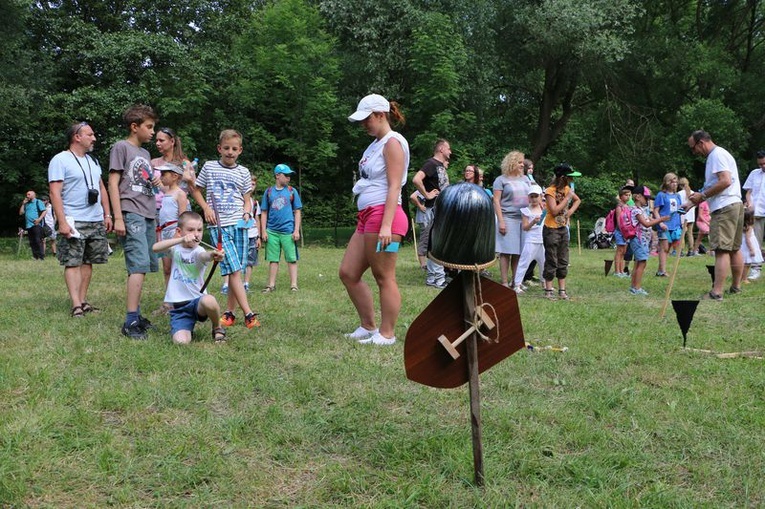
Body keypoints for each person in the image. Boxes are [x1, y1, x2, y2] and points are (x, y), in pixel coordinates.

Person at [340, 94, 410, 346]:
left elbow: (394, 187)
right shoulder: (374, 145)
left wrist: (387, 225)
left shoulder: (393, 142)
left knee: (384, 276)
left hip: (385, 217)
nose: (364, 125)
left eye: (367, 119)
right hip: (367, 217)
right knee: (348, 272)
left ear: (380, 115)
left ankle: (387, 333)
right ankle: (368, 326)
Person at [190, 129, 260, 329]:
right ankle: (249, 314)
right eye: (226, 148)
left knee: (233, 271)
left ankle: (229, 313)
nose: (230, 152)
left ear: (240, 150)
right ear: (219, 148)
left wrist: (247, 214)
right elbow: (195, 189)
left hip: (239, 225)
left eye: (234, 149)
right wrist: (205, 207)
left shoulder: (243, 172)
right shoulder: (210, 167)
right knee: (235, 269)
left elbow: (247, 201)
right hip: (219, 225)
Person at [48, 121, 113, 317]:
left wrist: (107, 214)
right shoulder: (60, 160)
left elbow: (102, 188)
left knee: (88, 261)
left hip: (95, 219)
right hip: (73, 220)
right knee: (73, 261)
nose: (94, 138)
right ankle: (76, 305)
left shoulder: (93, 160)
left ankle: (83, 300)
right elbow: (54, 192)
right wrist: (62, 222)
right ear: (77, 137)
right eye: (90, 135)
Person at [109, 104, 161, 339]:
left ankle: (137, 315)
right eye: (149, 127)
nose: (152, 132)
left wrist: (156, 182)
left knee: (146, 265)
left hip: (148, 213)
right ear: (134, 127)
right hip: (131, 212)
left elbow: (142, 180)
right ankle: (130, 321)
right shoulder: (122, 147)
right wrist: (118, 216)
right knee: (137, 265)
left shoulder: (146, 154)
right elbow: (113, 183)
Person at [684, 130, 745, 300]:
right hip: (735, 204)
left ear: (701, 142)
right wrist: (691, 203)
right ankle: (736, 287)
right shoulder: (720, 155)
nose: (694, 152)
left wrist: (702, 196)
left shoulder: (716, 155)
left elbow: (725, 181)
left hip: (724, 206)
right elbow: (713, 184)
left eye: (693, 148)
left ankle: (716, 292)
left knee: (721, 250)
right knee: (734, 248)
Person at [152, 211, 226, 344]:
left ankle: (217, 327)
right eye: (191, 230)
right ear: (179, 231)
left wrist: (213, 255)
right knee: (181, 342)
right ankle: (186, 327)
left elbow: (204, 256)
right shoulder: (175, 249)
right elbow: (155, 248)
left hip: (198, 303)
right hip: (179, 308)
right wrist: (180, 240)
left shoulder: (199, 250)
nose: (196, 234)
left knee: (209, 300)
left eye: (199, 230)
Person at [412, 138, 451, 289]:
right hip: (433, 210)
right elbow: (416, 179)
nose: (450, 152)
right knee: (436, 244)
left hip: (439, 210)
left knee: (434, 243)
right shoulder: (431, 164)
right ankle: (438, 279)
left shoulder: (440, 166)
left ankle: (432, 278)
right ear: (441, 149)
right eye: (448, 149)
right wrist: (427, 195)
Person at [542, 163, 581, 300]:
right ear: (563, 177)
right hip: (551, 229)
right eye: (570, 177)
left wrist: (569, 213)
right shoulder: (550, 191)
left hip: (563, 228)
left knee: (563, 259)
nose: (572, 180)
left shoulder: (567, 189)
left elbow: (578, 201)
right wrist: (567, 198)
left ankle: (562, 291)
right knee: (551, 259)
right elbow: (553, 211)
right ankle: (548, 291)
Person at [261, 164, 303, 292]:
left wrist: (296, 230)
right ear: (277, 175)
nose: (289, 178)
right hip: (272, 231)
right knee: (273, 259)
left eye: (289, 175)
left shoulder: (292, 191)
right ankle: (271, 285)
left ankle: (294, 285)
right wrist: (263, 230)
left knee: (291, 258)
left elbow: (297, 211)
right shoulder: (268, 192)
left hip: (288, 231)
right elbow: (263, 212)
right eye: (286, 175)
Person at [493, 150, 531, 287]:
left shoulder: (526, 179)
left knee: (519, 252)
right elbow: (496, 201)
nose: (522, 165)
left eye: (523, 162)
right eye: (519, 162)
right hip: (508, 218)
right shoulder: (501, 180)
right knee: (506, 251)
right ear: (512, 163)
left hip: (524, 219)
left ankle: (516, 282)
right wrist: (501, 221)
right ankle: (504, 282)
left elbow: (532, 196)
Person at [155, 162, 189, 313]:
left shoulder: (180, 194)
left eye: (164, 174)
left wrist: (179, 235)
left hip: (174, 234)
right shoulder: (165, 192)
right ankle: (168, 302)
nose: (161, 177)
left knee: (177, 268)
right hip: (164, 234)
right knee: (167, 268)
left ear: (175, 176)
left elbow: (182, 217)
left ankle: (180, 301)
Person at [624, 186, 670, 295]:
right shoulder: (636, 210)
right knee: (642, 263)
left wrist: (660, 222)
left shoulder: (641, 210)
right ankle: (637, 288)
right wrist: (661, 219)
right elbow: (646, 223)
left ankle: (634, 286)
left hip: (642, 241)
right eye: (646, 198)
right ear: (638, 197)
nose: (648, 200)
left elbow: (650, 220)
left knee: (638, 263)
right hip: (639, 241)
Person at [512, 185, 545, 292]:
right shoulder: (526, 211)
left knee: (544, 263)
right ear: (528, 198)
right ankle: (517, 284)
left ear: (541, 196)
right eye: (532, 196)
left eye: (536, 196)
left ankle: (545, 284)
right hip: (531, 240)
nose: (534, 199)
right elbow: (525, 227)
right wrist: (533, 222)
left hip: (543, 241)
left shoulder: (544, 209)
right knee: (524, 262)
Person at [653, 172, 682, 277]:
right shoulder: (661, 195)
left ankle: (660, 270)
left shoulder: (677, 195)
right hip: (664, 225)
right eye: (672, 182)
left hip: (675, 225)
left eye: (676, 182)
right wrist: (660, 223)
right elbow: (656, 210)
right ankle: (662, 271)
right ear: (667, 182)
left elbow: (680, 209)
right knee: (664, 248)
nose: (674, 184)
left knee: (668, 249)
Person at [742, 150, 765, 279]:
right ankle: (755, 268)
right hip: (757, 213)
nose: (762, 166)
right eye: (760, 164)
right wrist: (750, 204)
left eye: (764, 163)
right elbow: (748, 193)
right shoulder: (754, 174)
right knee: (755, 240)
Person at [243, 174, 262, 292]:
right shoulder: (239, 200)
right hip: (241, 234)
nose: (251, 186)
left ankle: (246, 283)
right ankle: (231, 284)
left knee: (250, 260)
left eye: (253, 184)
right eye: (249, 183)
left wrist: (259, 236)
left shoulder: (255, 203)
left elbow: (257, 219)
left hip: (253, 234)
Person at [19, 190, 47, 260]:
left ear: (33, 195)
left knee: (38, 240)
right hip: (28, 225)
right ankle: (35, 256)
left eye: (29, 194)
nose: (27, 196)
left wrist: (39, 219)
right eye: (27, 194)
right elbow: (21, 213)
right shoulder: (26, 204)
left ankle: (41, 257)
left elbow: (44, 211)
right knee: (32, 242)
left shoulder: (38, 202)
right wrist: (23, 204)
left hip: (36, 224)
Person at [612, 186, 633, 278]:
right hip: (620, 231)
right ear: (620, 196)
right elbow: (619, 220)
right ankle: (617, 271)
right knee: (619, 251)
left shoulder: (628, 206)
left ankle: (621, 270)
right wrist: (623, 232)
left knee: (624, 251)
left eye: (629, 195)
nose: (628, 197)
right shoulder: (619, 207)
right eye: (626, 195)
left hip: (626, 232)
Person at [741, 209, 763, 281]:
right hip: (748, 247)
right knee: (747, 263)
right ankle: (744, 278)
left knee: (743, 263)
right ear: (750, 219)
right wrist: (751, 249)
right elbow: (748, 239)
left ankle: (741, 277)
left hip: (743, 246)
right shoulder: (749, 228)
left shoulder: (742, 226)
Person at [677, 177, 696, 256]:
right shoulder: (693, 193)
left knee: (682, 234)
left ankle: (681, 250)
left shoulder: (679, 193)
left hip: (683, 216)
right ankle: (691, 250)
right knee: (690, 234)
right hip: (691, 216)